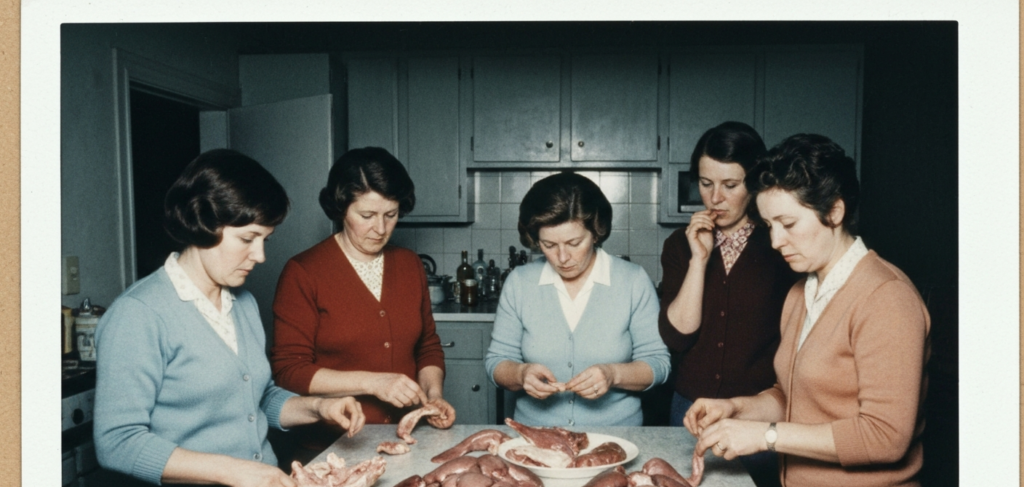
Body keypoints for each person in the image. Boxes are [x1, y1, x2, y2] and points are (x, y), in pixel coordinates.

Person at [93, 149, 367, 487]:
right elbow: (117, 442)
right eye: (247, 239)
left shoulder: (241, 303)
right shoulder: (139, 314)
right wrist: (234, 471)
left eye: (265, 240)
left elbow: (258, 397)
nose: (260, 256)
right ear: (202, 222)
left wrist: (318, 408)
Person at [684, 134, 930, 487]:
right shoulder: (803, 292)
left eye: (789, 224)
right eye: (769, 226)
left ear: (834, 211)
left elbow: (886, 436)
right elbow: (791, 395)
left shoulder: (886, 297)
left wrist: (765, 436)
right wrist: (738, 409)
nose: (776, 241)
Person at [271, 146, 454, 455]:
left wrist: (433, 394)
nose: (380, 228)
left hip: (406, 440)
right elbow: (290, 370)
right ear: (341, 208)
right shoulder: (303, 272)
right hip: (333, 446)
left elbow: (427, 346)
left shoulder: (409, 264)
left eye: (391, 215)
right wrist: (374, 383)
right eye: (366, 215)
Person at [485, 172, 671, 427]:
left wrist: (612, 374)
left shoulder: (633, 280)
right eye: (549, 245)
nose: (562, 257)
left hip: (616, 437)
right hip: (535, 435)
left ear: (596, 233)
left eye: (574, 243)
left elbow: (658, 364)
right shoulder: (520, 282)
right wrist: (520, 374)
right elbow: (496, 362)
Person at [659, 121, 799, 424]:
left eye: (730, 185)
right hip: (690, 407)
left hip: (758, 410)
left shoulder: (783, 246)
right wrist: (699, 259)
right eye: (706, 183)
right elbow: (677, 337)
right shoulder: (679, 246)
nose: (715, 198)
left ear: (754, 183)